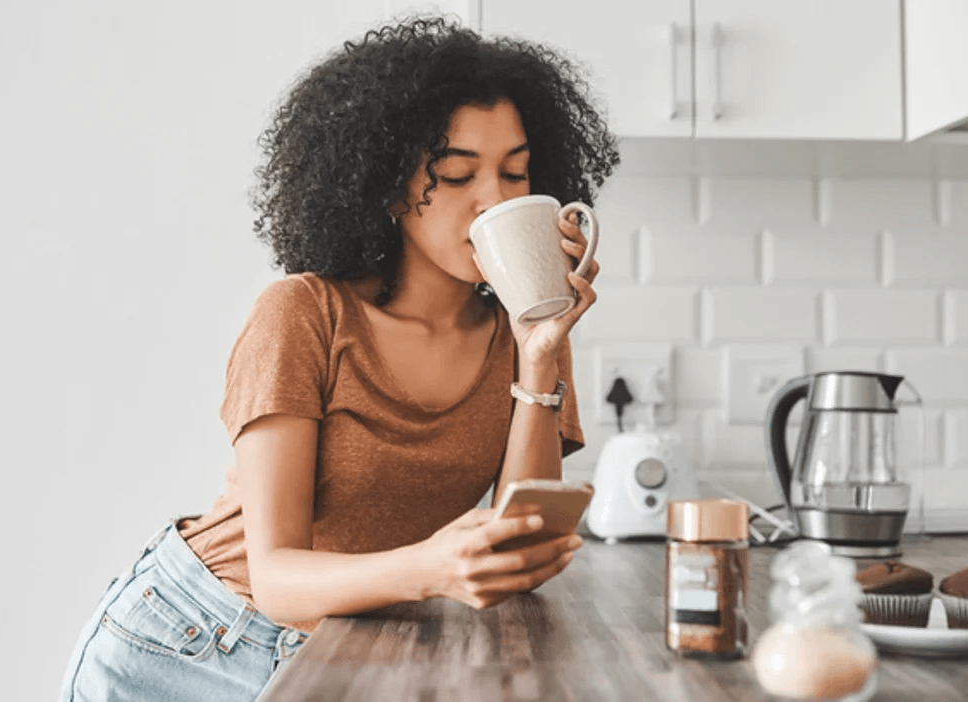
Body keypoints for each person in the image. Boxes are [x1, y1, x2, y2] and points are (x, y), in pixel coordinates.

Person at [59, 14, 619, 702]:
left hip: (342, 645)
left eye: (514, 171)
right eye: (454, 173)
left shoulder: (522, 332)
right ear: (388, 187)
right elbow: (277, 579)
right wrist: (431, 568)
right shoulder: (303, 313)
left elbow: (511, 546)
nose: (493, 199)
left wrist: (540, 356)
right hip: (191, 641)